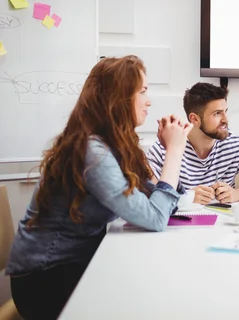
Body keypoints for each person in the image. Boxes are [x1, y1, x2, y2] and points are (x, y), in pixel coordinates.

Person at [6, 56, 192, 319]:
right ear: (119, 99)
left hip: (71, 266)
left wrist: (166, 150)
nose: (149, 101)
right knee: (147, 296)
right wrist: (175, 151)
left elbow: (161, 201)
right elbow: (156, 217)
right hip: (44, 279)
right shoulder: (92, 151)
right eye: (142, 91)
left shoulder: (114, 145)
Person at [147, 82, 239, 204]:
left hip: (224, 225)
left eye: (225, 111)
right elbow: (146, 198)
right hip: (180, 226)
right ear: (195, 119)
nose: (225, 120)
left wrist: (238, 194)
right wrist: (186, 198)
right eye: (217, 113)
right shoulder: (167, 147)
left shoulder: (235, 145)